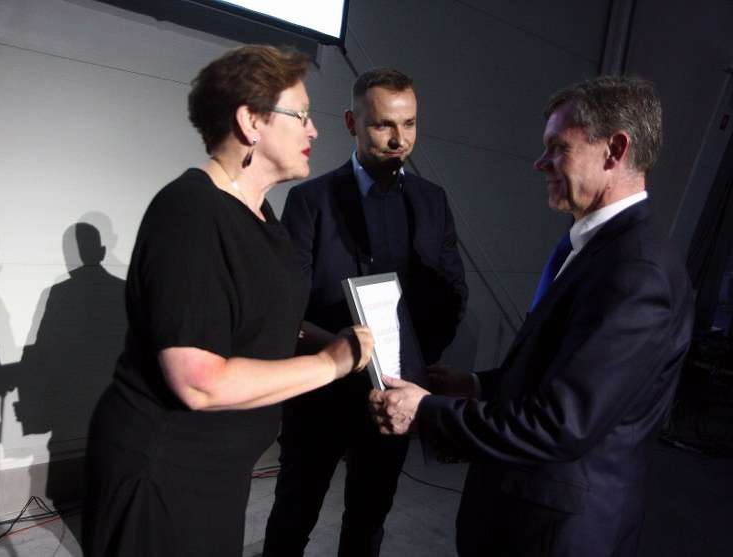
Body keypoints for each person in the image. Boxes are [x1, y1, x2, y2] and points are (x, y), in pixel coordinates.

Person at [369, 75, 695, 557]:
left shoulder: (636, 273)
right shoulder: (596, 249)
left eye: (558, 148)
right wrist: (474, 384)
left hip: (554, 533)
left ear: (615, 150)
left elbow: (561, 423)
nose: (540, 162)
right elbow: (558, 375)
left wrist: (425, 412)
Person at [81, 45, 374, 557]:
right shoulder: (190, 212)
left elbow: (263, 320)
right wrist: (331, 363)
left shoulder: (260, 215)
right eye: (301, 115)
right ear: (251, 121)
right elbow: (199, 381)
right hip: (165, 472)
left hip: (219, 471)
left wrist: (340, 342)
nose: (313, 131)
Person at [263, 68, 467, 557]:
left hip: (394, 395)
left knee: (369, 520)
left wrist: (413, 364)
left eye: (409, 124)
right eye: (383, 125)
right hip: (320, 393)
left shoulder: (432, 201)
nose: (400, 139)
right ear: (352, 122)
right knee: (293, 515)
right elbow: (283, 304)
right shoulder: (310, 200)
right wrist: (338, 353)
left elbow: (453, 293)